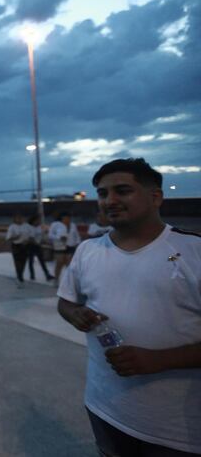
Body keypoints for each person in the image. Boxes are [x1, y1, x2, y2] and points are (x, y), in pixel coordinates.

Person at [57, 158, 201, 456]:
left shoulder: (193, 252)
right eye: (102, 193)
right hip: (104, 409)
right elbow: (65, 302)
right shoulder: (88, 250)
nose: (110, 200)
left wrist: (160, 360)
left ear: (156, 196)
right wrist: (76, 315)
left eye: (122, 191)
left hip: (177, 432)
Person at [49, 211, 80, 282]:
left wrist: (78, 243)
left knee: (69, 264)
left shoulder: (73, 225)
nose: (67, 219)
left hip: (71, 246)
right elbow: (50, 235)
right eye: (65, 218)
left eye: (68, 218)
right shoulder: (55, 224)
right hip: (60, 246)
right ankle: (56, 279)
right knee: (59, 263)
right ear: (61, 218)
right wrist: (59, 237)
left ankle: (70, 281)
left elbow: (76, 235)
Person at [25, 215, 55, 281]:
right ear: (33, 221)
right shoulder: (29, 227)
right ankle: (32, 275)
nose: (38, 222)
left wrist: (44, 241)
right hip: (31, 245)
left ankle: (47, 275)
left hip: (38, 245)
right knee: (31, 260)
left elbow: (42, 235)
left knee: (42, 261)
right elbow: (30, 238)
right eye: (37, 220)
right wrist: (37, 243)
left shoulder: (39, 227)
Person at [5, 213, 29, 287]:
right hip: (16, 246)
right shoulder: (12, 227)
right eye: (18, 218)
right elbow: (8, 238)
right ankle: (19, 277)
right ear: (15, 219)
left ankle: (20, 276)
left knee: (23, 261)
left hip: (25, 246)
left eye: (21, 218)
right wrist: (16, 237)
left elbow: (31, 235)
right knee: (17, 261)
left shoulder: (26, 226)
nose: (19, 219)